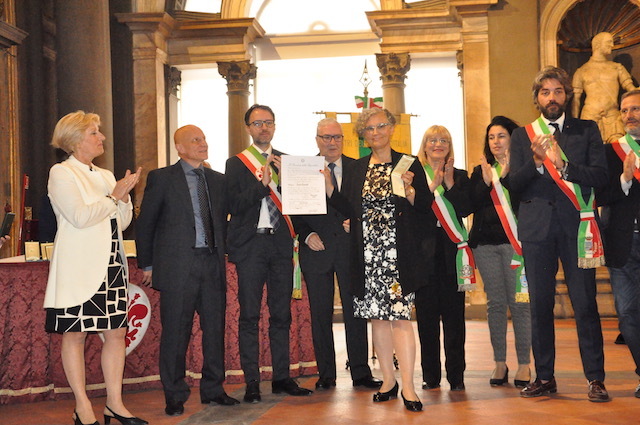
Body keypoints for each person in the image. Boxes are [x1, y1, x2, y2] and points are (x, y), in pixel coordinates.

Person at [509, 66, 609, 402]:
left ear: (567, 95)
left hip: (576, 228)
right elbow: (514, 184)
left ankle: (595, 378)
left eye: (557, 91)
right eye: (545, 92)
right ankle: (544, 376)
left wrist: (564, 167)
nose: (552, 98)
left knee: (585, 304)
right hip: (537, 231)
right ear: (537, 98)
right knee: (540, 305)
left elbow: (600, 176)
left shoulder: (587, 130)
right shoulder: (522, 135)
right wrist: (537, 162)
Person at [327, 108, 433, 412]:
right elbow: (349, 206)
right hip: (367, 255)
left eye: (381, 126)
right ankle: (388, 381)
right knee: (378, 319)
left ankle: (409, 387)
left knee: (400, 318)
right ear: (364, 135)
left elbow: (424, 205)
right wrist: (330, 190)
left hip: (398, 255)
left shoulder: (408, 163)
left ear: (391, 128)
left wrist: (410, 190)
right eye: (369, 129)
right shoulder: (357, 168)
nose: (375, 133)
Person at [44, 111, 146, 425]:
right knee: (75, 334)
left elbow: (122, 223)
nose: (101, 137)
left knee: (116, 332)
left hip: (112, 263)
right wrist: (114, 196)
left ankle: (114, 403)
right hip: (79, 266)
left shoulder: (104, 174)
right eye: (94, 132)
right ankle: (82, 405)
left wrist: (124, 198)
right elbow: (79, 217)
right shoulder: (62, 172)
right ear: (75, 139)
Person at [136, 125, 238, 416]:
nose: (203, 143)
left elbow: (232, 215)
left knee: (214, 330)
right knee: (175, 333)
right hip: (177, 266)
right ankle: (174, 394)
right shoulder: (162, 178)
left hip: (212, 263)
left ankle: (214, 389)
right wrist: (148, 264)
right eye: (195, 140)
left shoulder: (218, 180)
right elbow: (146, 223)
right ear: (179, 148)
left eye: (204, 139)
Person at [225, 104, 312, 403]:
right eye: (257, 123)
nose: (264, 127)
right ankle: (252, 382)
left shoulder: (288, 161)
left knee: (281, 314)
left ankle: (281, 378)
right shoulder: (236, 164)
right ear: (248, 128)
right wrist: (263, 186)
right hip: (251, 245)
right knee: (249, 315)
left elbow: (302, 203)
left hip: (281, 245)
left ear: (275, 126)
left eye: (269, 122)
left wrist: (287, 181)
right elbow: (233, 205)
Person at [292, 118, 382, 391]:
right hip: (316, 249)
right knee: (320, 314)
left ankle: (361, 372)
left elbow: (367, 206)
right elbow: (294, 210)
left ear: (344, 139)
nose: (332, 142)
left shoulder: (358, 168)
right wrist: (306, 235)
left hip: (350, 249)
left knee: (356, 312)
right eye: (326, 137)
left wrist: (357, 223)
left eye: (337, 137)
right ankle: (326, 374)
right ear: (317, 140)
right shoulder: (303, 169)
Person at [469, 116, 532, 388]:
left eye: (502, 136)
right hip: (485, 246)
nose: (496, 142)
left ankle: (524, 364)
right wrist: (486, 182)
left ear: (513, 138)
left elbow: (526, 201)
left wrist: (506, 179)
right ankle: (499, 362)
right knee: (495, 304)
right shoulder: (480, 170)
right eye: (491, 137)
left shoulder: (524, 168)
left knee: (520, 303)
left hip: (515, 245)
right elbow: (470, 204)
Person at [414, 125, 473, 392]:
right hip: (424, 256)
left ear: (449, 147)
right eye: (432, 140)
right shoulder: (413, 175)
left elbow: (466, 208)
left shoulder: (460, 175)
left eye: (444, 141)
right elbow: (413, 211)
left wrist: (449, 184)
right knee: (426, 320)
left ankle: (456, 376)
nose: (438, 144)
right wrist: (433, 186)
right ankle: (431, 376)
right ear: (424, 146)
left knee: (454, 320)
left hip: (453, 254)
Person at [597, 89, 640, 398]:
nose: (629, 115)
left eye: (635, 109)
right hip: (622, 242)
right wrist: (624, 179)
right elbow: (600, 194)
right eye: (625, 110)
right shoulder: (611, 151)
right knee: (626, 314)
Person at [572, 32, 638, 143]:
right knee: (590, 151)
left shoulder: (617, 68)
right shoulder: (581, 71)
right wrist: (575, 123)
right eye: (609, 42)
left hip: (613, 118)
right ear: (598, 44)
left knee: (619, 150)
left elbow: (632, 92)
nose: (612, 45)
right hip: (589, 118)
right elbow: (576, 100)